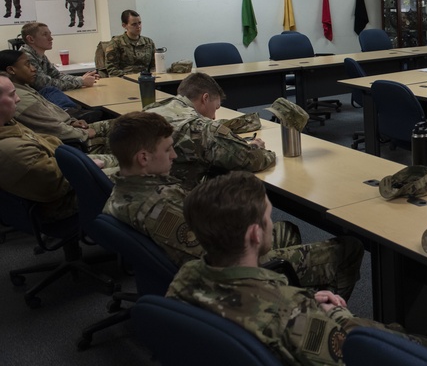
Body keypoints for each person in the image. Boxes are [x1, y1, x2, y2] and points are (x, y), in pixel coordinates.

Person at [166, 171, 427, 366]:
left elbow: (253, 306)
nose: (271, 223)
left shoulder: (185, 277)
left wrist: (304, 304)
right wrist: (335, 315)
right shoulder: (290, 313)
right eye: (268, 217)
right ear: (255, 235)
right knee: (410, 349)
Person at [105, 112, 363, 296]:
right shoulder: (160, 209)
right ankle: (318, 314)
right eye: (167, 150)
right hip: (225, 280)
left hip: (194, 265)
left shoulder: (122, 188)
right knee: (348, 247)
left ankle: (280, 295)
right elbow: (216, 262)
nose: (174, 155)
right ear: (143, 157)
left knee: (284, 230)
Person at [144, 72, 274, 190]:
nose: (214, 117)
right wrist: (257, 147)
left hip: (141, 194)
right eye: (216, 108)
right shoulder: (202, 129)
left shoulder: (152, 110)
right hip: (179, 201)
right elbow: (254, 160)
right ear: (205, 98)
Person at [0, 49, 112, 152]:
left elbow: (51, 111)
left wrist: (71, 121)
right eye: (27, 64)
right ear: (11, 70)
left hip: (70, 130)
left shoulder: (23, 86)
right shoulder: (21, 97)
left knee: (123, 124)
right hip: (69, 143)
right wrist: (84, 133)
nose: (33, 69)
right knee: (122, 136)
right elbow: (51, 128)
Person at [0, 75, 78, 221]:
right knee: (129, 173)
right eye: (11, 94)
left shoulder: (7, 124)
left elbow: (45, 139)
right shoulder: (9, 149)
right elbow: (55, 184)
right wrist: (86, 166)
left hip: (62, 168)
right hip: (60, 203)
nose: (18, 99)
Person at [21, 22, 100, 94]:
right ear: (31, 39)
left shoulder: (40, 55)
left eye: (50, 34)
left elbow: (57, 76)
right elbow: (45, 84)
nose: (51, 38)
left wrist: (81, 78)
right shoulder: (25, 57)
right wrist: (81, 82)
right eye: (45, 35)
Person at [105, 9, 155, 77]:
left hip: (146, 80)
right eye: (134, 24)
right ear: (124, 25)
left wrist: (153, 75)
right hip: (125, 81)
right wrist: (133, 77)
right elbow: (112, 70)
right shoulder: (116, 43)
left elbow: (155, 66)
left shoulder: (148, 42)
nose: (138, 27)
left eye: (139, 23)